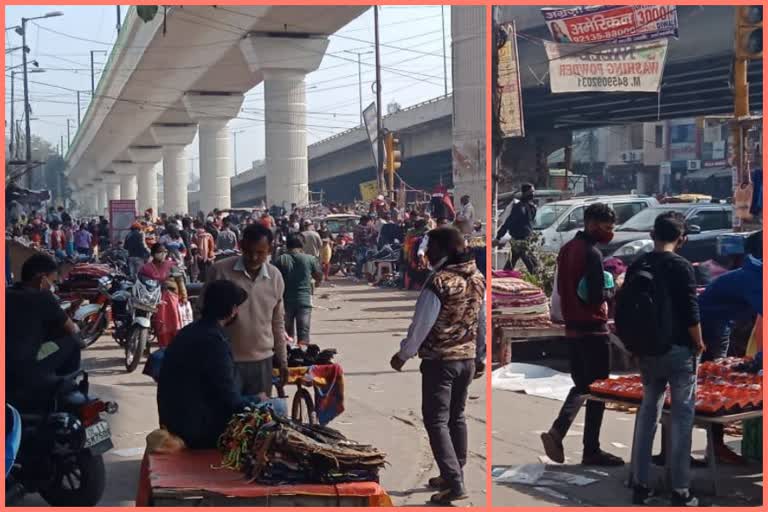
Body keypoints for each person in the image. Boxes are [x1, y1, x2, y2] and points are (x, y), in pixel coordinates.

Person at [390, 227, 486, 505]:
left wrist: (403, 354)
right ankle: (454, 471)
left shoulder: (439, 282)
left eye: (430, 248)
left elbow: (422, 324)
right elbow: (481, 322)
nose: (426, 254)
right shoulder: (477, 278)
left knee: (436, 420)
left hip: (440, 361)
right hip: (466, 360)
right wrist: (480, 356)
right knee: (456, 417)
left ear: (444, 250)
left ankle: (454, 483)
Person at [628, 212, 705, 506]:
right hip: (679, 351)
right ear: (682, 239)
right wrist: (698, 343)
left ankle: (641, 484)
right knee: (683, 418)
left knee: (648, 412)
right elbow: (690, 312)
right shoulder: (682, 267)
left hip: (647, 350)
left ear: (652, 235)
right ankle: (680, 490)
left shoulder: (639, 264)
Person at [540, 203, 624, 467]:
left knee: (583, 384)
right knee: (598, 388)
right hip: (593, 328)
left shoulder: (567, 250)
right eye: (607, 227)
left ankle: (560, 432)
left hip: (572, 327)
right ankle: (589, 447)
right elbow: (598, 295)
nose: (610, 232)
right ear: (592, 224)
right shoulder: (592, 254)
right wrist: (615, 286)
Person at [692, 230, 762, 463]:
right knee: (712, 385)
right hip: (707, 328)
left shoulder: (754, 272)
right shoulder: (754, 277)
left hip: (721, 324)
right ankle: (716, 446)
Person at [157, 280, 252, 449]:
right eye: (236, 307)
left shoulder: (191, 331)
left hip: (176, 419)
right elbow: (229, 397)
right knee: (273, 409)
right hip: (196, 429)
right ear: (231, 310)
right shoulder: (213, 342)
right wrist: (257, 400)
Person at [206, 223, 288, 396]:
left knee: (258, 419)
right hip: (225, 361)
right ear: (241, 246)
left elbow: (277, 322)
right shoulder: (219, 271)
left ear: (269, 250)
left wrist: (282, 359)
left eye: (260, 253)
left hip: (262, 362)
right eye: (249, 251)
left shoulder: (275, 277)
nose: (254, 257)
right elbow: (203, 315)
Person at [6, 254, 81, 407]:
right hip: (23, 372)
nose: (53, 286)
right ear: (41, 279)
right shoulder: (43, 297)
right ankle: (63, 387)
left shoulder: (6, 293)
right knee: (73, 341)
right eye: (52, 281)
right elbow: (71, 329)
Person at [275, 235, 324, 344]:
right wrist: (316, 285)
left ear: (287, 246)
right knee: (303, 334)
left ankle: (288, 356)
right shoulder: (310, 259)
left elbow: (272, 280)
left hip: (285, 302)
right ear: (302, 245)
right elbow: (319, 276)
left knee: (287, 335)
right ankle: (302, 354)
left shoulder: (280, 259)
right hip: (304, 301)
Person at [139, 244, 187, 348]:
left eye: (165, 252)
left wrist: (184, 295)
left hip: (171, 296)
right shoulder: (146, 268)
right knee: (160, 322)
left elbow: (180, 281)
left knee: (174, 320)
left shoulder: (171, 265)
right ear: (153, 254)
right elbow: (140, 282)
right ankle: (161, 344)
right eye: (160, 252)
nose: (163, 254)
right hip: (153, 297)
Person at [496, 183, 538, 273]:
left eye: (533, 192)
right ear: (525, 193)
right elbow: (509, 222)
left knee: (517, 259)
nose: (533, 194)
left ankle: (506, 275)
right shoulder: (520, 207)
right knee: (526, 260)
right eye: (531, 192)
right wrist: (499, 236)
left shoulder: (532, 207)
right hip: (519, 238)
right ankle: (537, 276)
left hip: (525, 237)